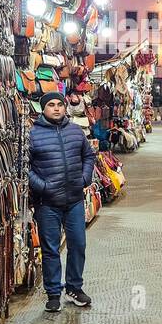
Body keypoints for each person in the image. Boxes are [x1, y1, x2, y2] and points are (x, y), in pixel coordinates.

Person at [27, 93, 97, 312]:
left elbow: (89, 156)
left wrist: (85, 179)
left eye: (59, 105)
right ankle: (53, 292)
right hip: (47, 203)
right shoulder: (33, 135)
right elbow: (24, 168)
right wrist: (43, 187)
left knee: (78, 244)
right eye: (51, 105)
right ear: (43, 108)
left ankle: (75, 287)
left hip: (74, 199)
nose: (56, 109)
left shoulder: (76, 132)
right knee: (51, 249)